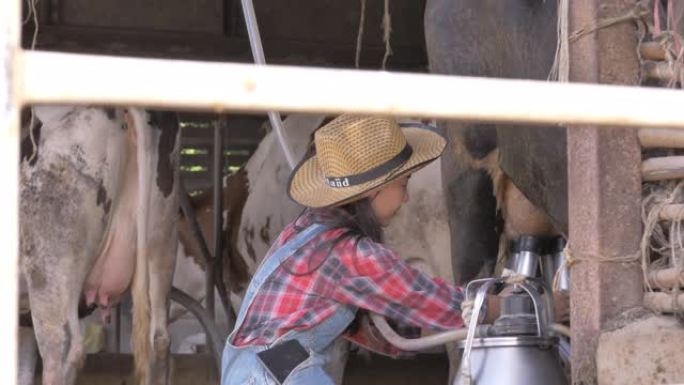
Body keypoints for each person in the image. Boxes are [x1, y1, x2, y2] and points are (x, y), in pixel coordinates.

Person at [221, 115, 560, 385]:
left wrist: (423, 328)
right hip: (274, 376)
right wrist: (531, 308)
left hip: (258, 369)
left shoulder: (308, 232)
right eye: (402, 185)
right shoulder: (349, 255)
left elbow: (373, 326)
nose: (407, 198)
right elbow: (428, 299)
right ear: (372, 191)